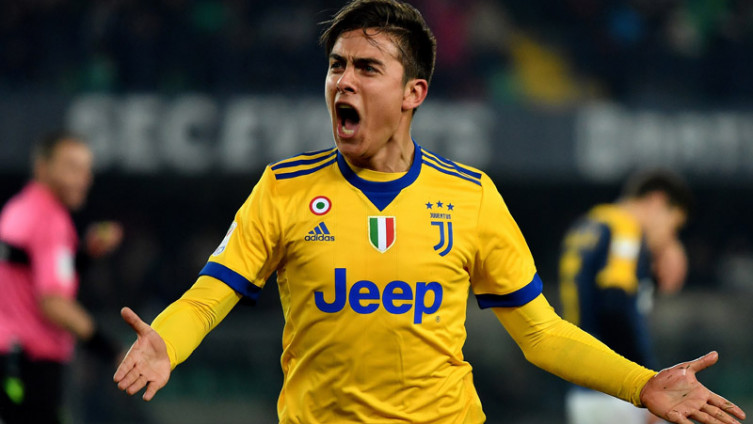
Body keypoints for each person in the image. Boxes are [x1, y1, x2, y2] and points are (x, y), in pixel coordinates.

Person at [114, 1, 746, 423]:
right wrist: (166, 342)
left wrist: (642, 384)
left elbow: (542, 334)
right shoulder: (283, 189)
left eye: (367, 68)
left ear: (413, 92)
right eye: (336, 67)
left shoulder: (471, 196)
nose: (343, 82)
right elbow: (208, 297)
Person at [0, 131, 123, 424]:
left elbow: (33, 279)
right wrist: (112, 350)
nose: (83, 178)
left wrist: (86, 255)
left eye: (86, 169)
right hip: (30, 363)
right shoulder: (50, 221)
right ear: (43, 167)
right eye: (72, 167)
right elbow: (53, 302)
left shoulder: (17, 209)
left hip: (10, 356)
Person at [558, 170, 694, 424]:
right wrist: (648, 382)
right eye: (673, 226)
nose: (669, 236)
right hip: (617, 389)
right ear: (657, 201)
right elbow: (615, 304)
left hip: (584, 388)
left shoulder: (587, 225)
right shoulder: (624, 229)